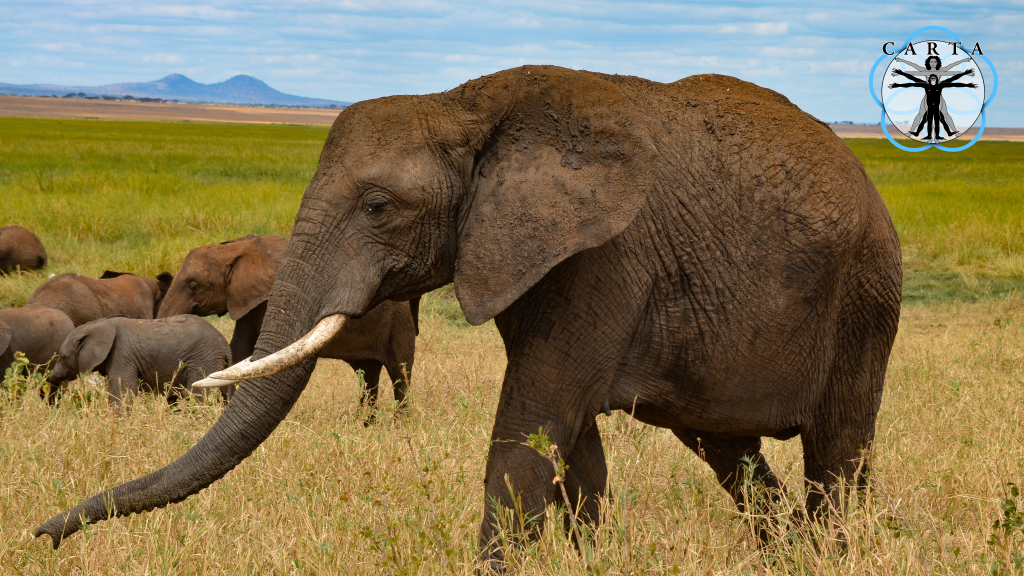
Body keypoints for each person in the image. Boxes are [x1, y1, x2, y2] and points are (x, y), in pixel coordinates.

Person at [889, 68, 977, 141]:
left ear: (937, 80)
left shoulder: (940, 85)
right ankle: (929, 136)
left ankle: (938, 135)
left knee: (938, 121)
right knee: (929, 121)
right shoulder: (926, 85)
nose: (933, 80)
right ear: (929, 80)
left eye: (934, 79)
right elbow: (912, 81)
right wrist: (898, 81)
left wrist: (967, 81)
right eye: (931, 79)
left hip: (937, 108)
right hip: (930, 107)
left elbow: (954, 81)